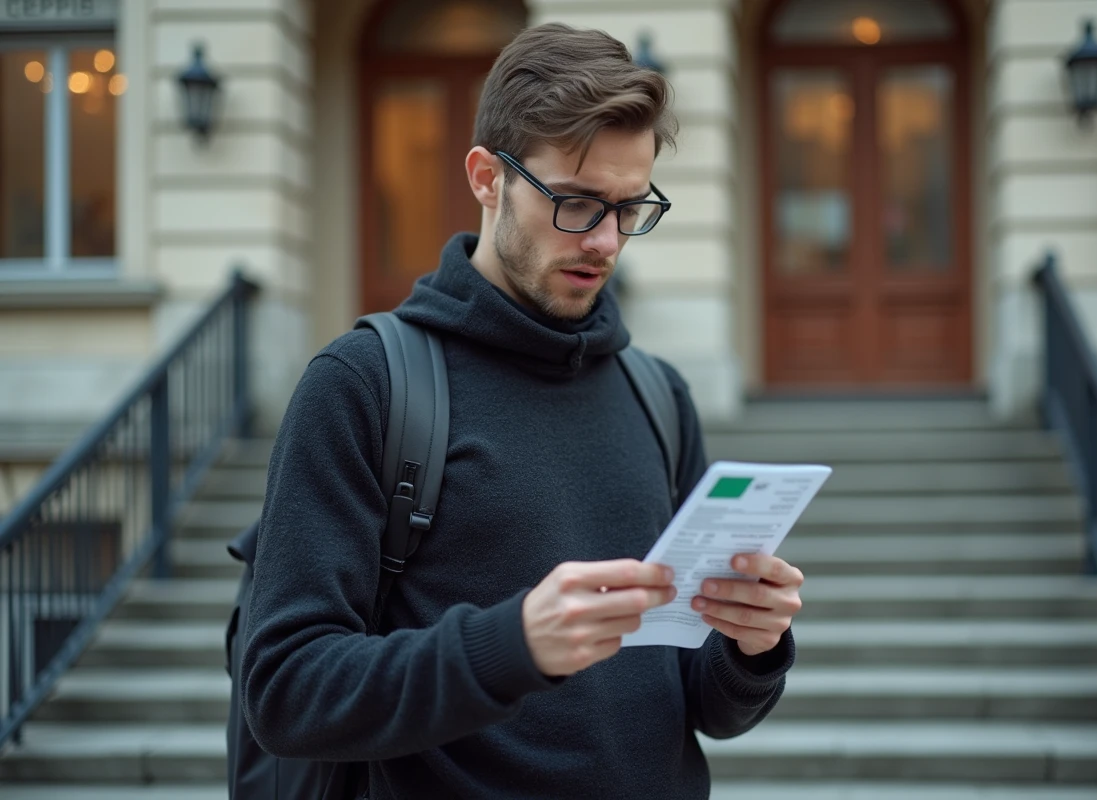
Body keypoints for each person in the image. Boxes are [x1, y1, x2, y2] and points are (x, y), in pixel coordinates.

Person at [241, 22, 806, 800]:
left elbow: (704, 706)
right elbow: (285, 690)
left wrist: (751, 647)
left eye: (629, 207)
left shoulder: (659, 396)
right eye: (575, 203)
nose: (606, 241)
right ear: (485, 176)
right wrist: (509, 646)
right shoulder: (364, 384)